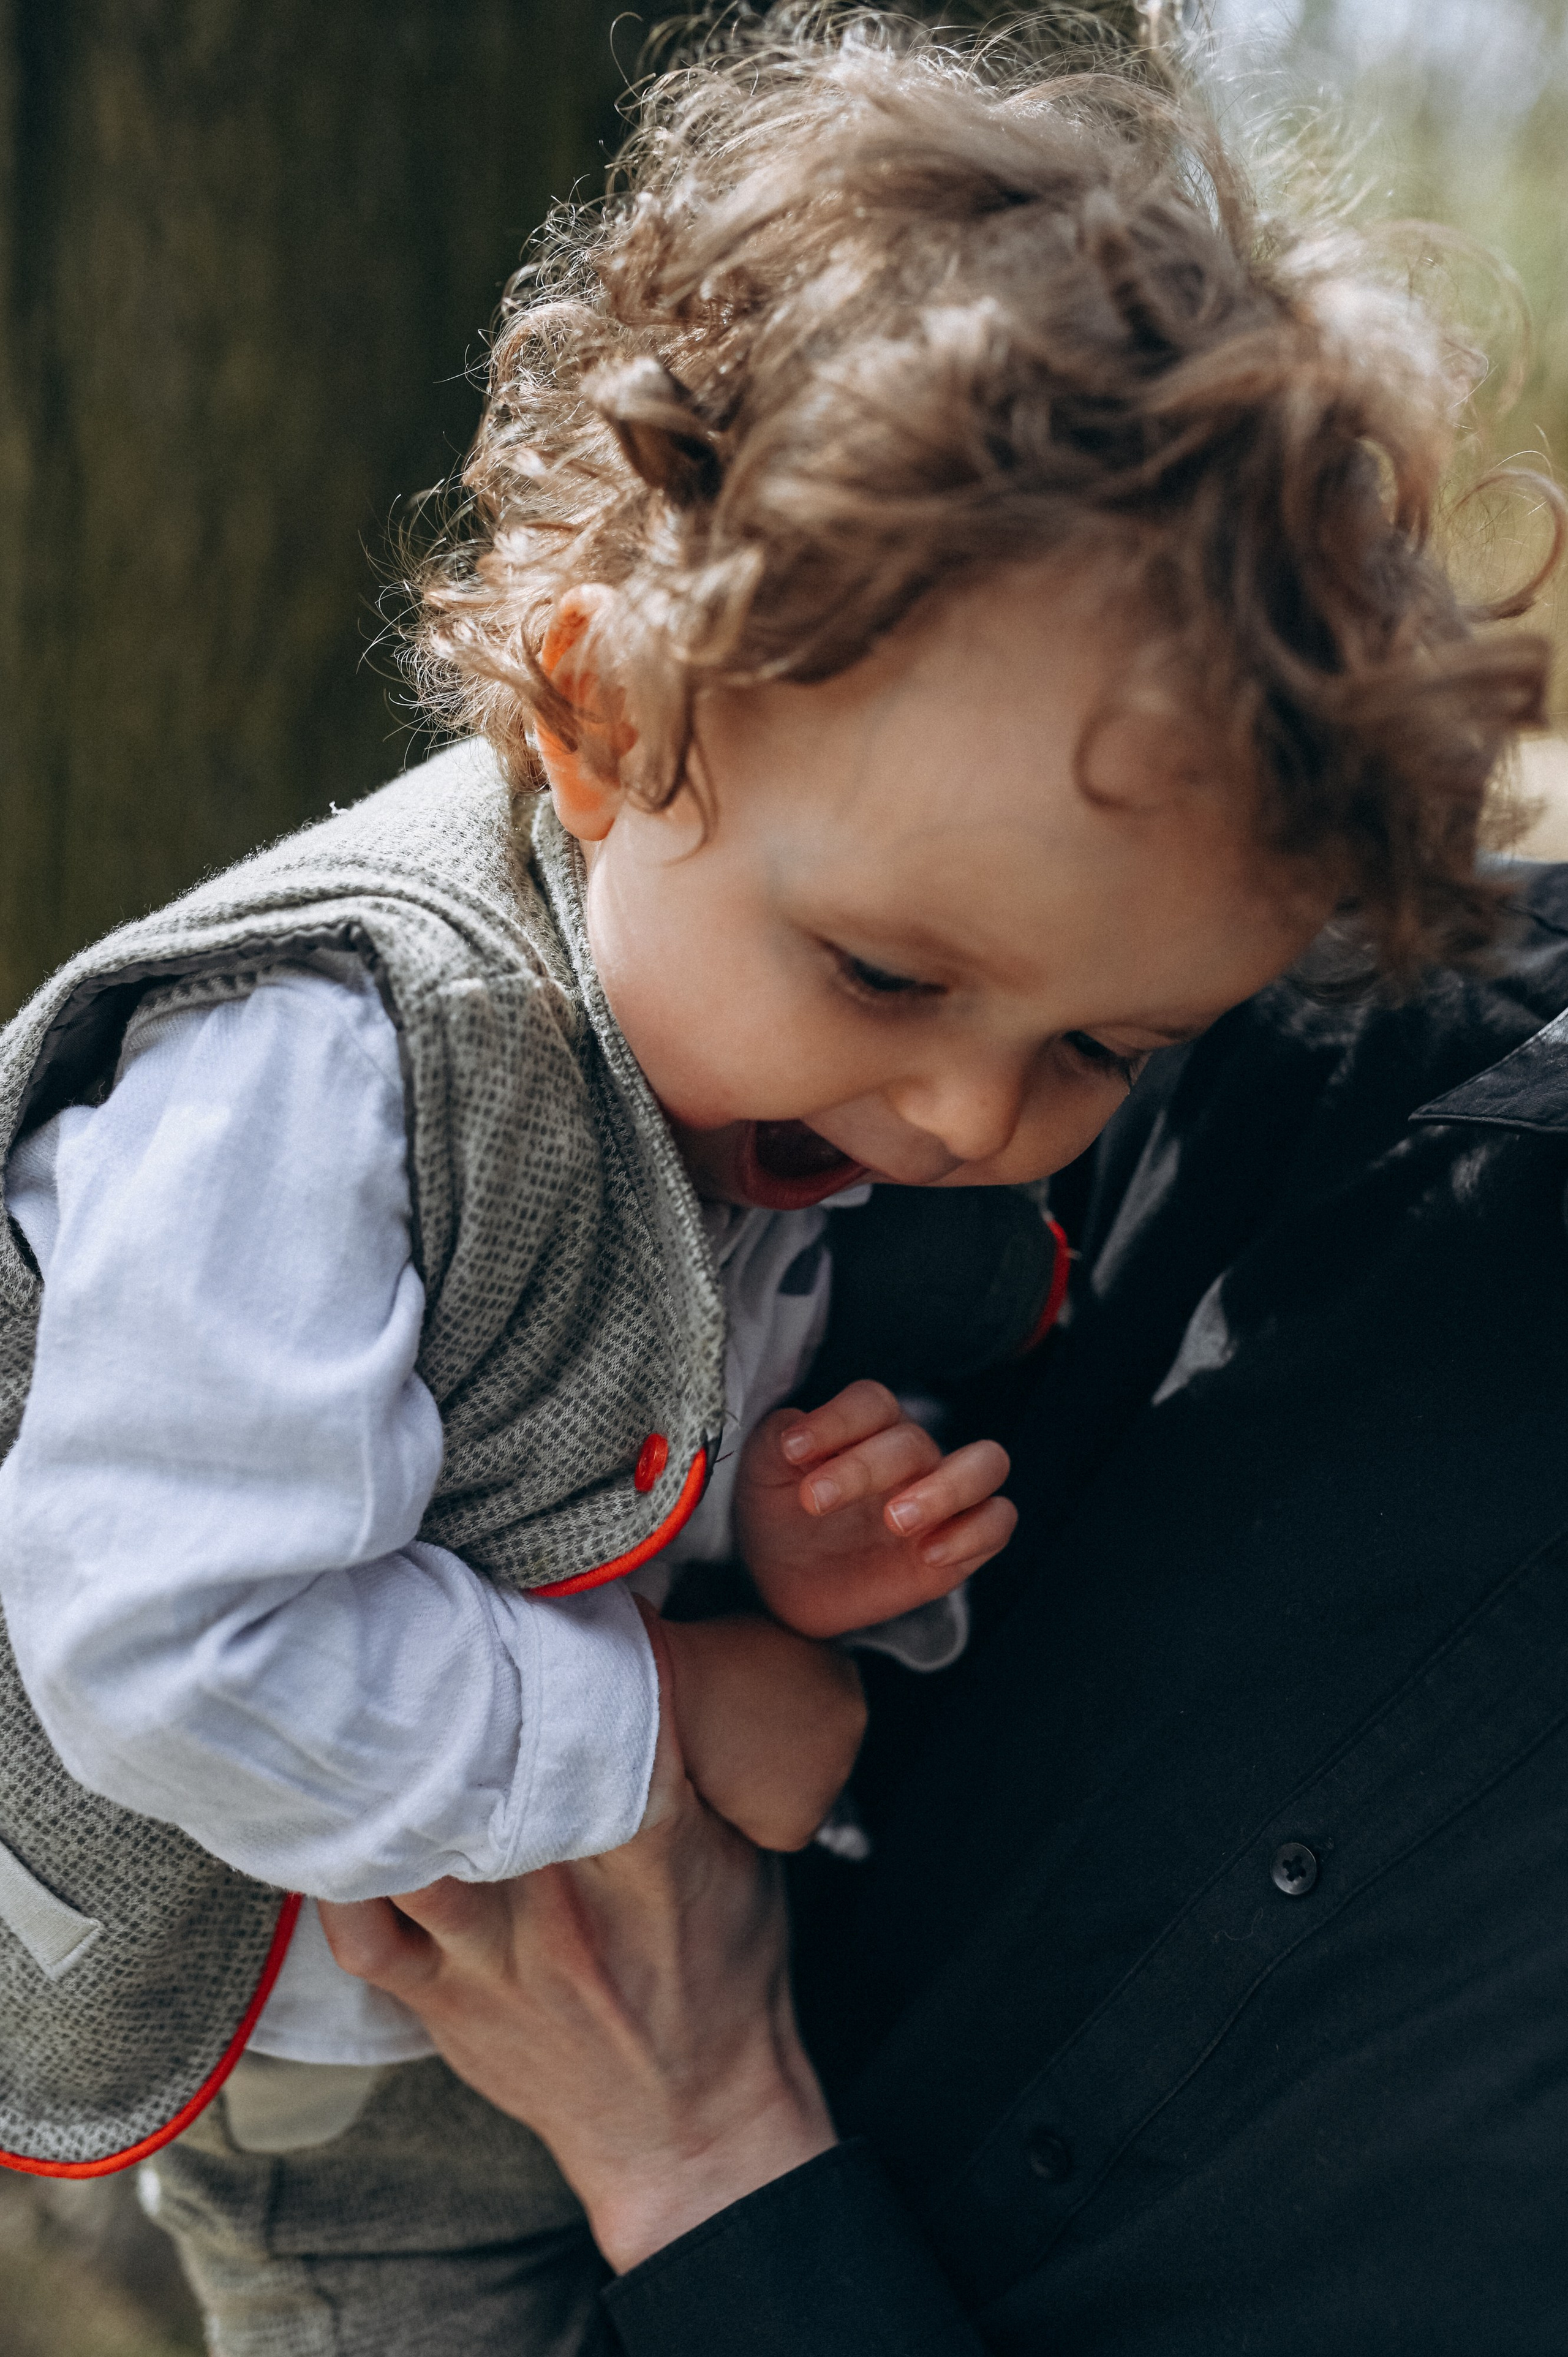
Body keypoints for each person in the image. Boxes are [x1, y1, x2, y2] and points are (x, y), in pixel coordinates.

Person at [0, 9, 1556, 2355]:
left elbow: (570, 1448)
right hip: (316, 2083)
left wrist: (799, 1553)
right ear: (597, 710)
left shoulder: (766, 1070)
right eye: (889, 973)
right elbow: (164, 1636)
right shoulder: (328, 1062)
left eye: (1101, 1051)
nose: (961, 1119)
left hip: (526, 2036)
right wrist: (677, 1705)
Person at [323, 881, 1568, 2351]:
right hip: (416, 2100)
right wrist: (787, 1594)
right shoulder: (1340, 994)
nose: (974, 1111)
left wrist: (705, 2148)